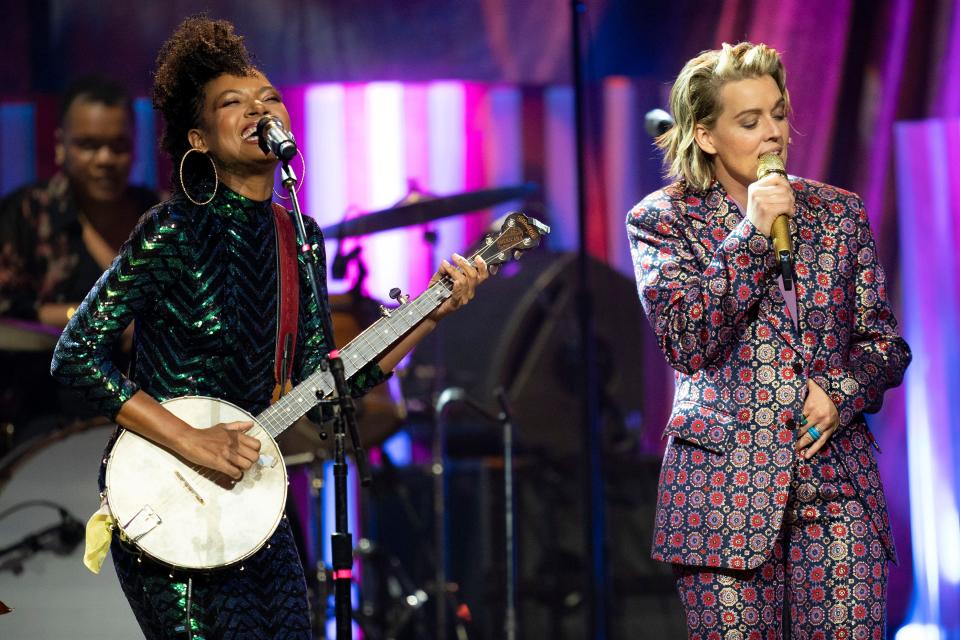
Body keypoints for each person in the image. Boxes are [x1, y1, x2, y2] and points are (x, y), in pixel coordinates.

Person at [50, 16, 488, 639]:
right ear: (198, 139)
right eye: (233, 102)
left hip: (255, 496)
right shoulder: (171, 231)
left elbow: (329, 386)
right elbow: (75, 354)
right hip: (167, 496)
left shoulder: (300, 238)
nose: (259, 108)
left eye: (269, 98)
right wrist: (191, 439)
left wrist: (429, 314)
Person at [626, 42, 910, 638]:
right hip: (723, 490)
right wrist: (753, 232)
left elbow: (884, 344)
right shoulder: (661, 220)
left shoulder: (837, 213)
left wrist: (838, 391)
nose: (773, 133)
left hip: (835, 487)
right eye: (749, 121)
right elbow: (687, 339)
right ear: (705, 135)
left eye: (778, 114)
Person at [0, 75, 158, 442]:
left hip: (153, 422)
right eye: (88, 145)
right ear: (60, 147)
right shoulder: (26, 214)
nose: (105, 159)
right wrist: (101, 319)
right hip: (46, 420)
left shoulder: (159, 216)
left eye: (117, 146)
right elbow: (7, 313)